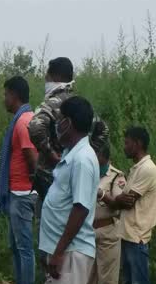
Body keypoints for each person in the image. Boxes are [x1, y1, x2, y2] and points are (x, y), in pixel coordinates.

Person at [30, 96, 99, 284]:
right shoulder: (71, 155)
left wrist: (58, 250)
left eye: (60, 118)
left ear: (69, 123)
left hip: (71, 251)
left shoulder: (83, 159)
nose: (56, 123)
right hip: (59, 250)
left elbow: (81, 208)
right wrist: (51, 250)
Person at [28, 57, 109, 198]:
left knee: (51, 216)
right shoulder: (80, 104)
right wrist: (87, 153)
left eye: (47, 77)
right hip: (77, 176)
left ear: (55, 77)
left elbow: (35, 127)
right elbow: (103, 130)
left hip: (50, 177)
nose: (45, 81)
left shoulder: (52, 103)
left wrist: (50, 153)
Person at [0, 76, 38, 284]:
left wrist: (32, 188)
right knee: (16, 246)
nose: (4, 99)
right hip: (17, 193)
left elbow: (32, 158)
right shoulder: (23, 119)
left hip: (22, 194)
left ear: (14, 95)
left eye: (6, 94)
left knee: (24, 248)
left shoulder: (23, 123)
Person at [115, 127, 156, 284]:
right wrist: (119, 198)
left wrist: (110, 197)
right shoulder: (136, 169)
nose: (125, 146)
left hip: (138, 236)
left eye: (127, 142)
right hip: (128, 234)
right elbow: (124, 197)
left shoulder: (147, 169)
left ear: (138, 143)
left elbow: (127, 200)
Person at [85, 145, 125, 284]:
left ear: (104, 157)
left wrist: (101, 194)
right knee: (89, 277)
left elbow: (119, 203)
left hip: (108, 230)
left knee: (107, 280)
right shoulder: (89, 172)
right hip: (89, 230)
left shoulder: (116, 176)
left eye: (97, 155)